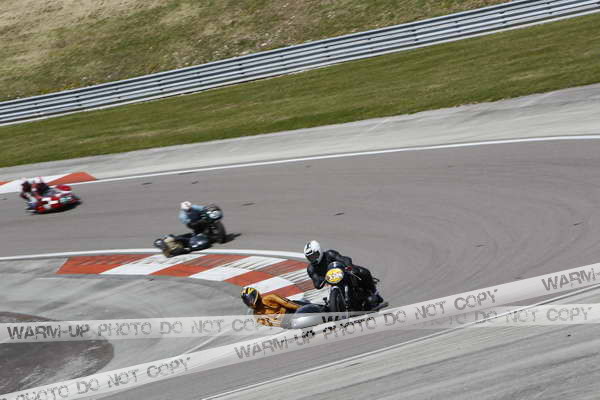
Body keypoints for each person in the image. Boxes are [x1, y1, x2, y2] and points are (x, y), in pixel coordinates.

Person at [303, 240, 383, 306]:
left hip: (344, 273)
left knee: (363, 272)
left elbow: (344, 259)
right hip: (332, 282)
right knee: (328, 304)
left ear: (319, 251)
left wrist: (350, 267)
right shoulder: (311, 268)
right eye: (310, 257)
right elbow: (316, 283)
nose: (313, 259)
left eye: (314, 255)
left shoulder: (330, 254)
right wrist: (321, 280)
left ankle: (375, 293)